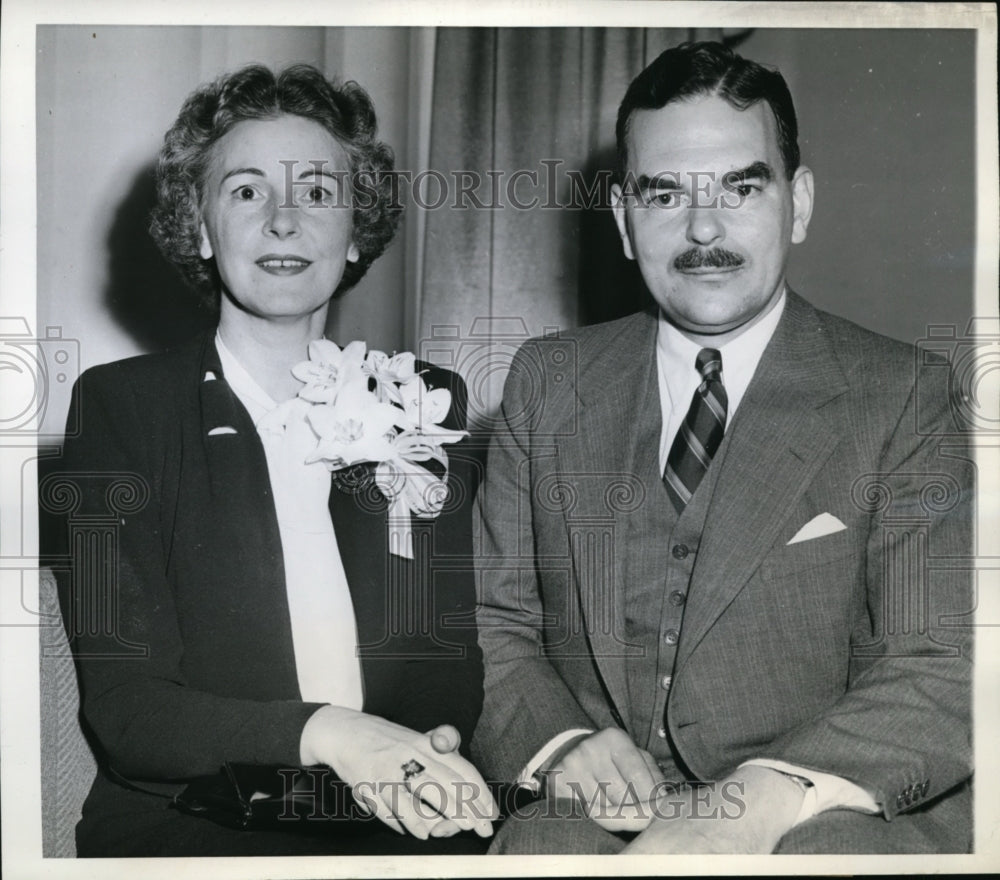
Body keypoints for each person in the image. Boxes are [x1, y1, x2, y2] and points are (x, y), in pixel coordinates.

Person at [472, 41, 973, 854]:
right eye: (663, 193)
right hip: (604, 817)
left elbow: (947, 654)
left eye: (742, 187)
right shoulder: (544, 381)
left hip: (818, 809)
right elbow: (500, 626)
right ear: (624, 222)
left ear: (799, 204)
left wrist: (770, 794)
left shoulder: (903, 395)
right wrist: (561, 745)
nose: (703, 228)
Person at [52, 63, 495, 857]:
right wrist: (336, 736)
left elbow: (445, 655)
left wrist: (430, 754)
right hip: (202, 827)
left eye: (319, 193)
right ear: (199, 226)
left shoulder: (421, 400)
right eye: (248, 191)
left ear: (357, 229)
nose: (285, 222)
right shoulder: (123, 408)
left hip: (397, 814)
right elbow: (130, 712)